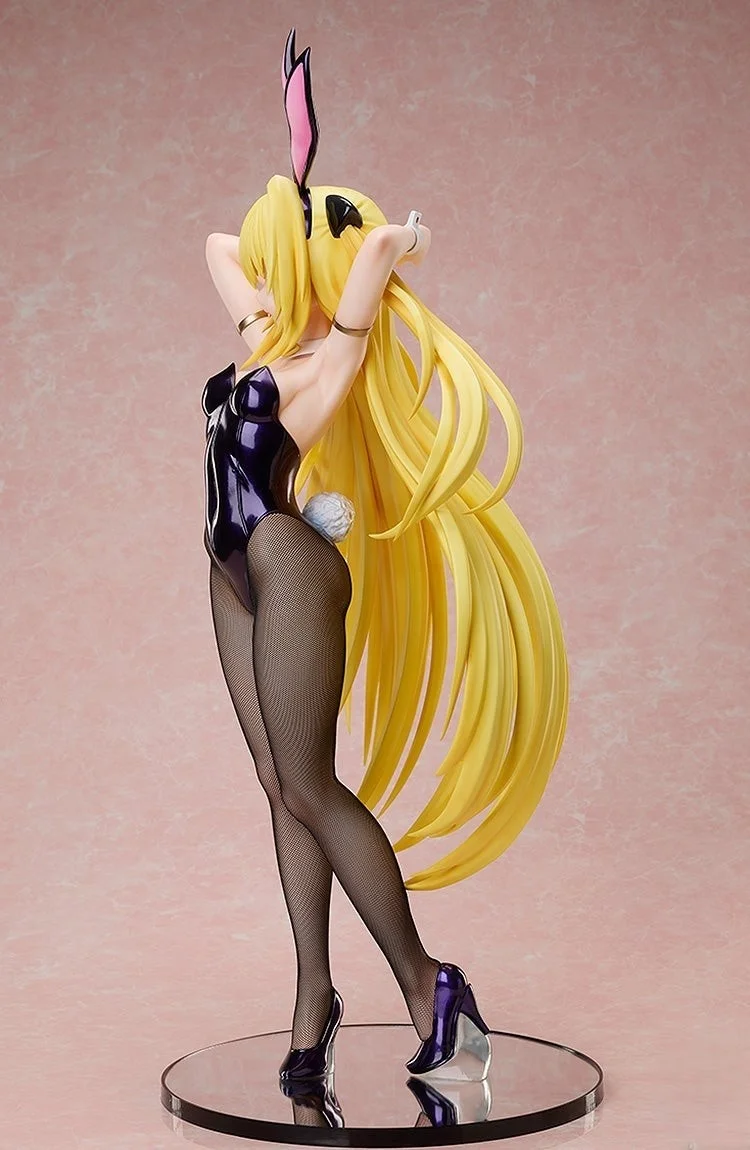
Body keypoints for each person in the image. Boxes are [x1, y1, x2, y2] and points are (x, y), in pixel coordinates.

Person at [200, 29, 568, 1084]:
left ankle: (426, 982)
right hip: (227, 565)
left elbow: (361, 272)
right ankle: (313, 998)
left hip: (286, 560)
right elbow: (218, 246)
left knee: (311, 782)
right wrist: (284, 198)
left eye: (288, 252)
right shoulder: (263, 340)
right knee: (278, 782)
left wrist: (386, 235)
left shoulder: (327, 362)